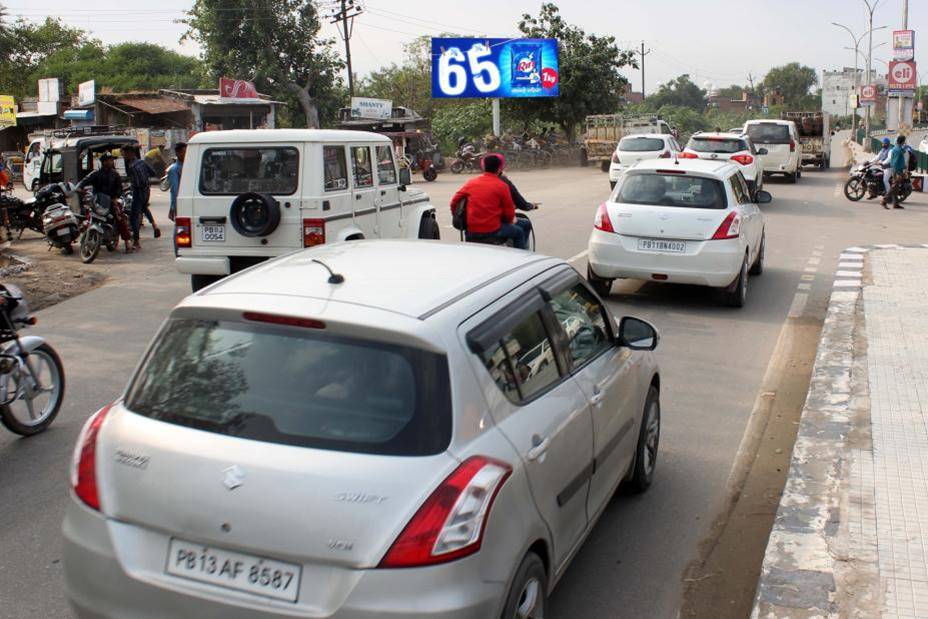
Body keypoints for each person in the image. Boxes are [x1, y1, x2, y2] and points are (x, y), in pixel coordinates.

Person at [450, 153, 527, 249]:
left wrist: (456, 215)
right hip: (493, 231)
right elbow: (509, 213)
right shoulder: (502, 186)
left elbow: (454, 202)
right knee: (519, 232)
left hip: (471, 232)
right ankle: (522, 258)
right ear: (499, 169)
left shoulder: (471, 183)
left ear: (483, 167)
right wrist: (510, 220)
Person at [124, 146, 159, 250]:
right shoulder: (142, 162)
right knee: (144, 207)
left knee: (133, 217)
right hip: (146, 191)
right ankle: (154, 225)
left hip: (138, 191)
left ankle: (137, 241)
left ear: (131, 153)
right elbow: (153, 173)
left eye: (125, 153)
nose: (124, 156)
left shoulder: (131, 166)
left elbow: (133, 180)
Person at [884, 135, 913, 210]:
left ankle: (895, 203)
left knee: (896, 188)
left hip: (896, 170)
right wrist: (900, 170)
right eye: (904, 141)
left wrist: (905, 147)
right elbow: (896, 162)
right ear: (902, 141)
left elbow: (902, 152)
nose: (905, 142)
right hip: (897, 170)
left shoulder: (896, 148)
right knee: (894, 186)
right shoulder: (897, 150)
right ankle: (884, 200)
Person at [167, 142, 186, 222]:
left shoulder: (188, 166)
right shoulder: (174, 169)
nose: (187, 154)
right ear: (178, 153)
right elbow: (175, 191)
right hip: (181, 205)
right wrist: (174, 207)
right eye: (184, 152)